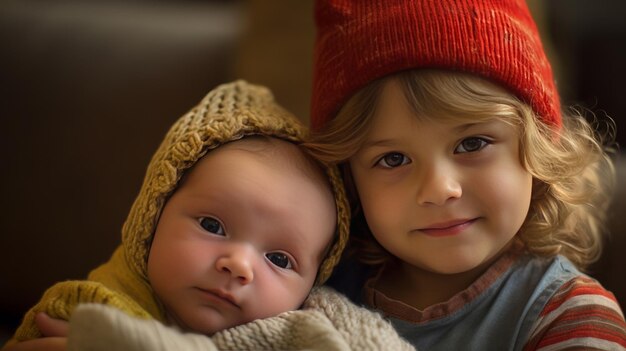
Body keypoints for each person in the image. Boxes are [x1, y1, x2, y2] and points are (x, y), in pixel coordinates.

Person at [306, 0, 626, 350]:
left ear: (537, 148)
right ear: (348, 180)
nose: (439, 189)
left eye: (472, 143)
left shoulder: (570, 317)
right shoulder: (311, 286)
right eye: (394, 159)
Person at [2, 80, 353, 349]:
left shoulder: (305, 335)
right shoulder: (85, 311)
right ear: (152, 216)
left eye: (279, 258)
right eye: (212, 225)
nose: (239, 265)